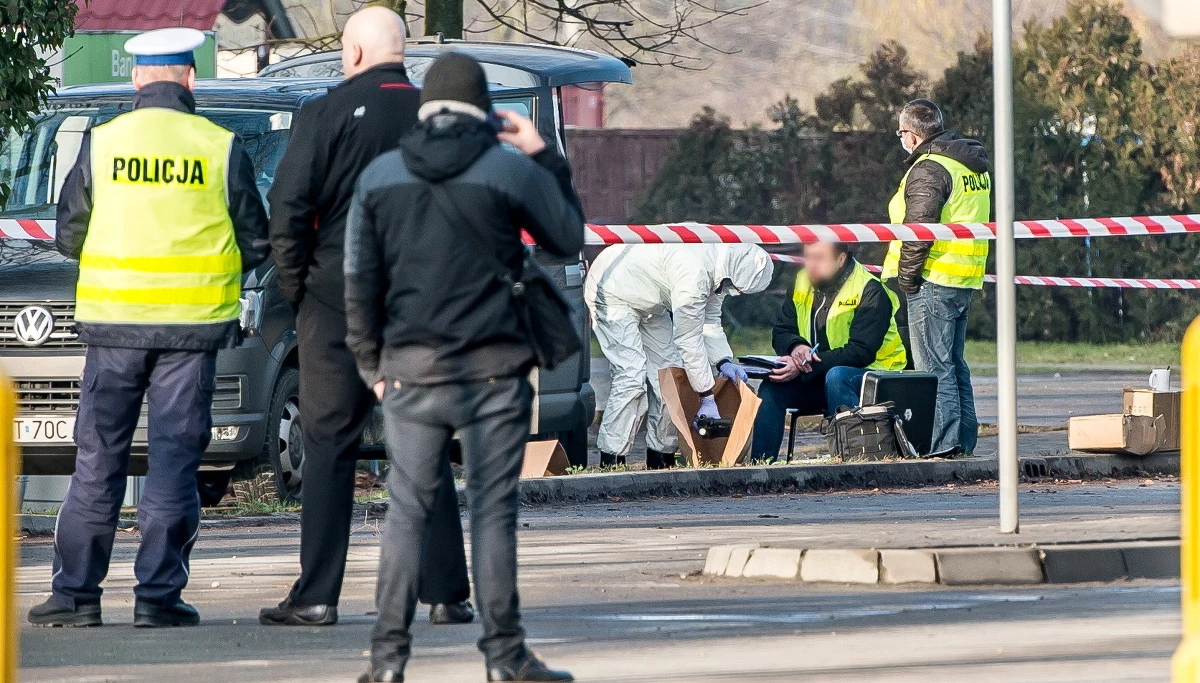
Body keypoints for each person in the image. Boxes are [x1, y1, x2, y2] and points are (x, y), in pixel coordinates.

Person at [344, 53, 582, 683]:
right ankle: (505, 658)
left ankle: (386, 662)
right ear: (485, 110)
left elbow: (358, 281)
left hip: (410, 372)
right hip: (495, 371)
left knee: (406, 512)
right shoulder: (508, 169)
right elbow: (566, 238)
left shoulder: (379, 176)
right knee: (492, 512)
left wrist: (372, 363)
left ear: (426, 106)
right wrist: (542, 155)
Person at [27, 27, 269, 628]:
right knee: (172, 461)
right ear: (189, 79)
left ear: (138, 80)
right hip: (191, 332)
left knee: (98, 457)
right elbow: (256, 240)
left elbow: (69, 234)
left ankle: (76, 597)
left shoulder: (104, 144)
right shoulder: (219, 146)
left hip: (112, 330)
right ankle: (158, 599)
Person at [262, 6, 472, 627]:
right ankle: (446, 593)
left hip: (335, 303)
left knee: (328, 442)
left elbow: (289, 209)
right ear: (401, 52)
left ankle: (318, 596)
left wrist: (301, 289)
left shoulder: (323, 114)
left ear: (351, 53)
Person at [585, 244, 773, 469]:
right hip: (612, 289)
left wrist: (723, 360)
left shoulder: (719, 273)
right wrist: (706, 396)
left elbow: (709, 321)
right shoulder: (693, 274)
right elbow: (688, 340)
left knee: (670, 379)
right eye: (733, 287)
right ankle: (612, 461)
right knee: (631, 377)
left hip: (650, 301)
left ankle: (660, 460)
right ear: (730, 275)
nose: (732, 292)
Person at [881, 99, 991, 455]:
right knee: (955, 365)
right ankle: (964, 442)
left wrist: (908, 279)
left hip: (933, 278)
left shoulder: (930, 168)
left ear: (911, 135)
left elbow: (918, 231)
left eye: (901, 134)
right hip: (962, 277)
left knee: (934, 367)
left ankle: (943, 446)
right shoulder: (970, 165)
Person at [749, 242, 906, 461]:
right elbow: (782, 330)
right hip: (820, 373)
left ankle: (850, 459)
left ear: (840, 260)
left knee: (837, 376)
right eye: (808, 257)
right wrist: (797, 347)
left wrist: (805, 364)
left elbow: (861, 352)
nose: (811, 265)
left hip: (875, 377)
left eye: (819, 258)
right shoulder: (802, 281)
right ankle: (761, 465)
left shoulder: (870, 289)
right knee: (772, 385)